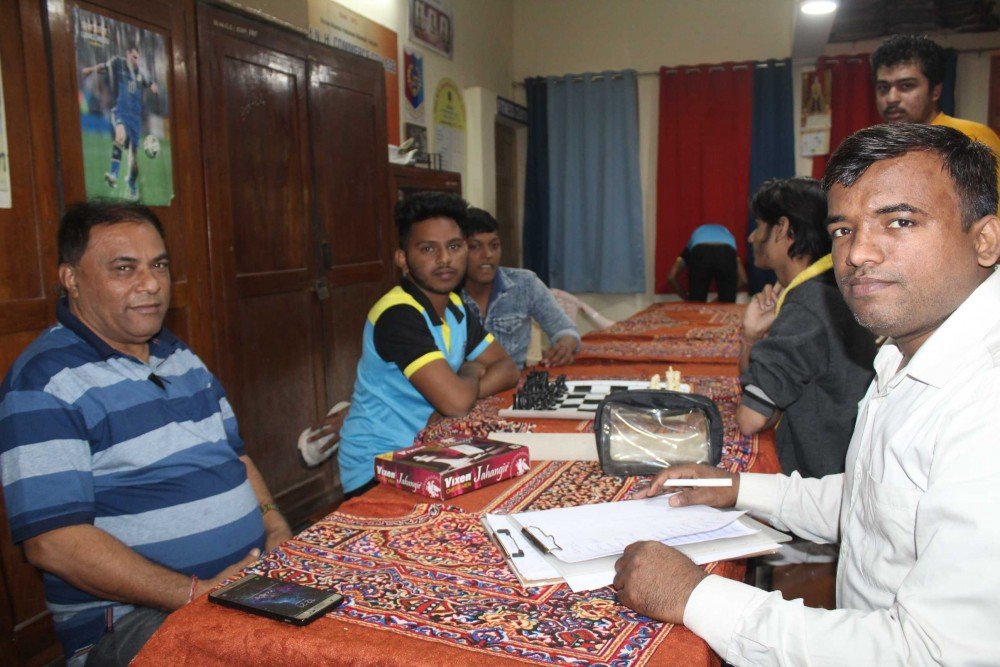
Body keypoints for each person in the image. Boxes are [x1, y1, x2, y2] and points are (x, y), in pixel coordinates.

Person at [613, 123, 1000, 664]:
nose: (859, 252)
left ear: (985, 239)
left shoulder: (985, 400)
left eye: (900, 221)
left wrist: (695, 595)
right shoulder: (905, 351)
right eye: (843, 229)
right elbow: (876, 503)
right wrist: (737, 488)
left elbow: (930, 654)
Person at [0, 201, 291, 665]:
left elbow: (236, 458)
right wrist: (196, 593)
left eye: (158, 265)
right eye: (124, 268)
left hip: (241, 584)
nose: (151, 283)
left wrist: (275, 527)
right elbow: (53, 542)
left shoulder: (179, 358)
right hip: (136, 620)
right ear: (71, 278)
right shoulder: (45, 383)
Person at [335, 193, 520, 495]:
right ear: (402, 258)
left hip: (429, 450)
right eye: (428, 249)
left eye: (454, 246)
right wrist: (469, 372)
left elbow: (508, 368)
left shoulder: (455, 305)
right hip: (380, 463)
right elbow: (456, 404)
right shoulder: (398, 314)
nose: (445, 259)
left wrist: (461, 389)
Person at [738, 178, 876, 478]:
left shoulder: (808, 305)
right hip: (843, 463)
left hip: (820, 478)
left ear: (782, 229)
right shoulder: (832, 287)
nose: (751, 237)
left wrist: (751, 339)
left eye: (758, 225)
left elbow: (750, 419)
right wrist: (753, 337)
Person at [460, 208, 581, 368]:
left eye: (494, 245)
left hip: (515, 380)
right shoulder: (445, 294)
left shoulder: (525, 283)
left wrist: (564, 346)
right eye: (475, 247)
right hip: (461, 382)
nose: (488, 254)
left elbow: (565, 329)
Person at [872, 34, 1000, 153]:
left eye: (906, 86)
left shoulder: (971, 138)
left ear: (935, 91)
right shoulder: (875, 146)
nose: (892, 98)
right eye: (883, 87)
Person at [81, 43, 159, 201]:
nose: (136, 60)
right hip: (120, 110)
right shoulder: (118, 63)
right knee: (120, 136)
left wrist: (154, 86)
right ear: (128, 54)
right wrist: (89, 70)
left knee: (134, 157)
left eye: (138, 58)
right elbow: (103, 67)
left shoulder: (140, 72)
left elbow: (150, 83)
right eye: (134, 57)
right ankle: (114, 174)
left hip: (135, 117)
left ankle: (131, 183)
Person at [666, 223, 748, 302]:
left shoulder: (691, 245)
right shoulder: (730, 244)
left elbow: (671, 277)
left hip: (700, 251)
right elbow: (743, 279)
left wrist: (687, 298)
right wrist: (728, 294)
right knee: (727, 305)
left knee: (696, 305)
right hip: (726, 251)